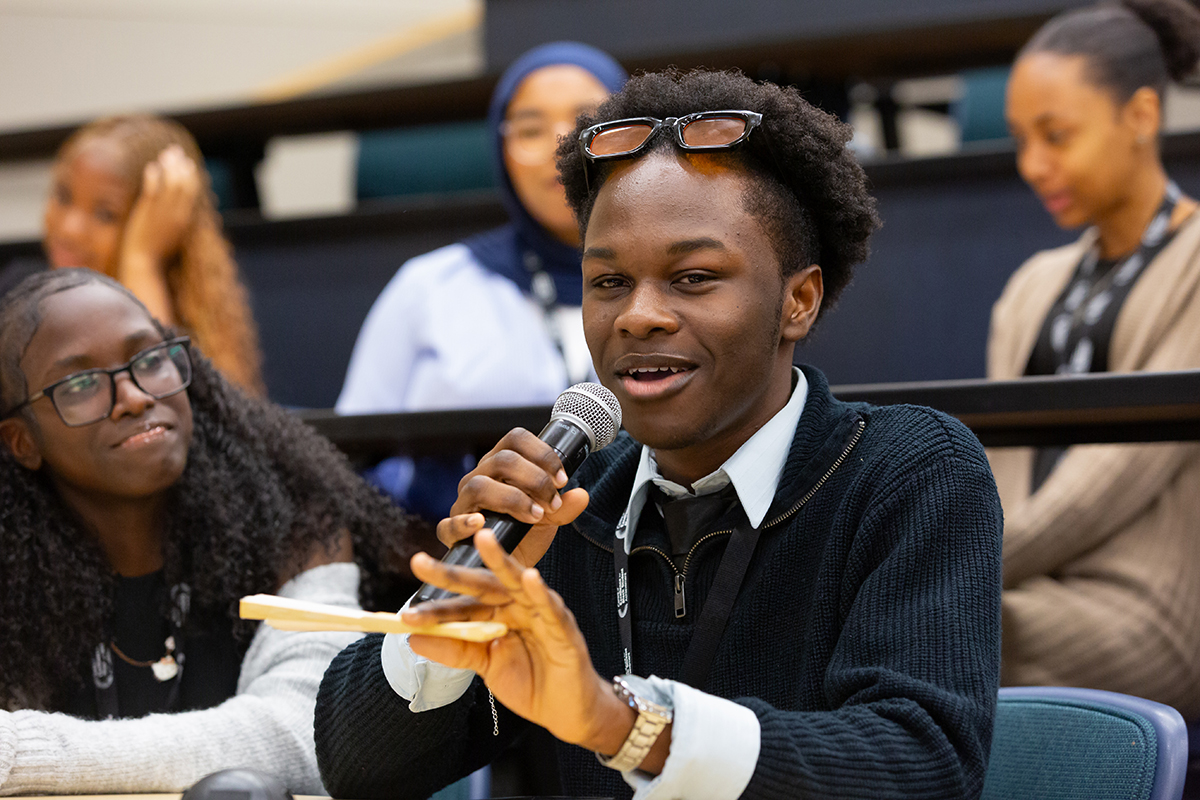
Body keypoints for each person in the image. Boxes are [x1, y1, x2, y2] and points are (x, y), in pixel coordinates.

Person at [315, 70, 1004, 800]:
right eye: (608, 283)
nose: (637, 316)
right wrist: (466, 596)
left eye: (694, 277)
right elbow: (357, 770)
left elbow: (922, 764)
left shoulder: (908, 473)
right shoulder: (570, 505)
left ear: (797, 300)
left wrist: (622, 724)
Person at [0, 269, 433, 794]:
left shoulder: (293, 518)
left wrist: (17, 752)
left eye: (151, 358)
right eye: (82, 384)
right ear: (21, 441)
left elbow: (310, 734)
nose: (134, 396)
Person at [994, 0, 1200, 717]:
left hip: (1149, 612)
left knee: (941, 625)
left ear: (1142, 116)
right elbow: (993, 469)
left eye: (1057, 136)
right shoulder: (1032, 285)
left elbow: (1114, 476)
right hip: (1020, 584)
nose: (1033, 165)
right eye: (1022, 139)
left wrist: (956, 565)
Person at [336, 42, 625, 521]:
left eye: (585, 120)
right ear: (501, 150)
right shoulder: (431, 286)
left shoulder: (684, 287)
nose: (560, 145)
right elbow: (347, 462)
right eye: (530, 129)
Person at [42, 115, 264, 395]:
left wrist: (142, 260)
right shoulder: (17, 302)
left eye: (105, 214)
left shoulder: (195, 333)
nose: (69, 229)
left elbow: (160, 401)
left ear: (156, 222)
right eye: (62, 196)